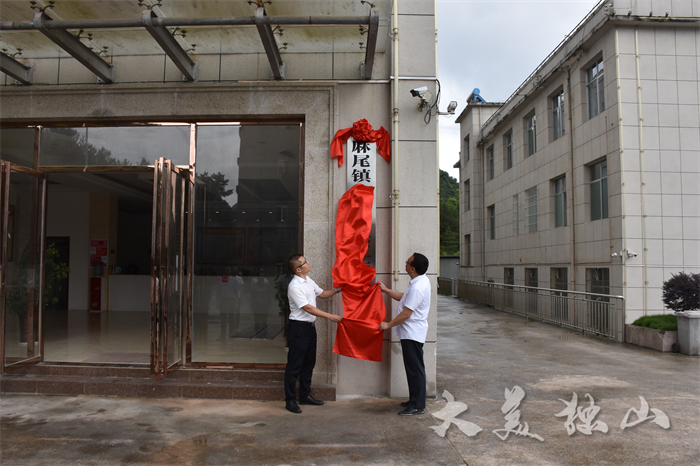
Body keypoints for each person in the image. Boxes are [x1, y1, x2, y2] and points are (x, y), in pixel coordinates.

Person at [284, 254, 343, 414]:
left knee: (309, 363)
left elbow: (322, 293)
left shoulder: (308, 281)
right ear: (298, 269)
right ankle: (290, 400)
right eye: (305, 262)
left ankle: (305, 395)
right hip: (298, 328)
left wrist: (338, 290)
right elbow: (308, 308)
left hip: (310, 328)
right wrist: (330, 316)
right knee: (294, 365)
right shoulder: (294, 286)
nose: (308, 263)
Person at [378, 253, 431, 416]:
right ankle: (414, 400)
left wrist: (388, 324)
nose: (405, 264)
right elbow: (405, 298)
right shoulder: (419, 281)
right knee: (413, 368)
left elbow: (406, 313)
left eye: (407, 262)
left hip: (412, 333)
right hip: (411, 332)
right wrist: (386, 291)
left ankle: (417, 406)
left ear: (412, 268)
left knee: (415, 369)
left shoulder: (417, 287)